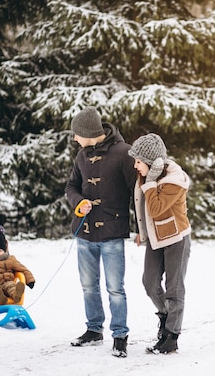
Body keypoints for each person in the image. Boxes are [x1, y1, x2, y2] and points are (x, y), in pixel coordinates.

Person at [65, 106, 136, 358]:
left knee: (115, 287)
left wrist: (141, 230)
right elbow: (71, 186)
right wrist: (79, 201)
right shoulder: (82, 155)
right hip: (84, 232)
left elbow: (137, 194)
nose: (75, 139)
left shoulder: (124, 153)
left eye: (77, 134)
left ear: (89, 132)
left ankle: (120, 334)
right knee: (88, 286)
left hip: (112, 233)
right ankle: (94, 329)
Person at [128, 133, 191, 354]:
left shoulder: (174, 180)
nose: (135, 165)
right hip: (156, 238)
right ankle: (165, 317)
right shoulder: (147, 178)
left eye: (138, 161)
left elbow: (155, 208)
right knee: (149, 282)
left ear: (152, 162)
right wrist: (142, 232)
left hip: (176, 238)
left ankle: (171, 336)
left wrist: (151, 182)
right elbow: (142, 208)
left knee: (174, 288)